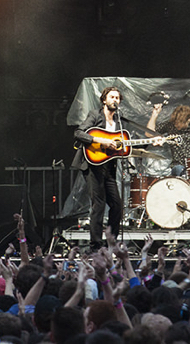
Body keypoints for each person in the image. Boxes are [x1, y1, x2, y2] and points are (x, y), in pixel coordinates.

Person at [71, 86, 125, 251]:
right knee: (99, 205)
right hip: (92, 165)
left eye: (117, 98)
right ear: (104, 100)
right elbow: (79, 133)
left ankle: (112, 243)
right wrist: (100, 141)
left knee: (117, 205)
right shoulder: (95, 115)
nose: (114, 100)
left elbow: (123, 143)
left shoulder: (119, 121)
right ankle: (96, 246)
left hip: (108, 167)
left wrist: (153, 141)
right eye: (112, 97)